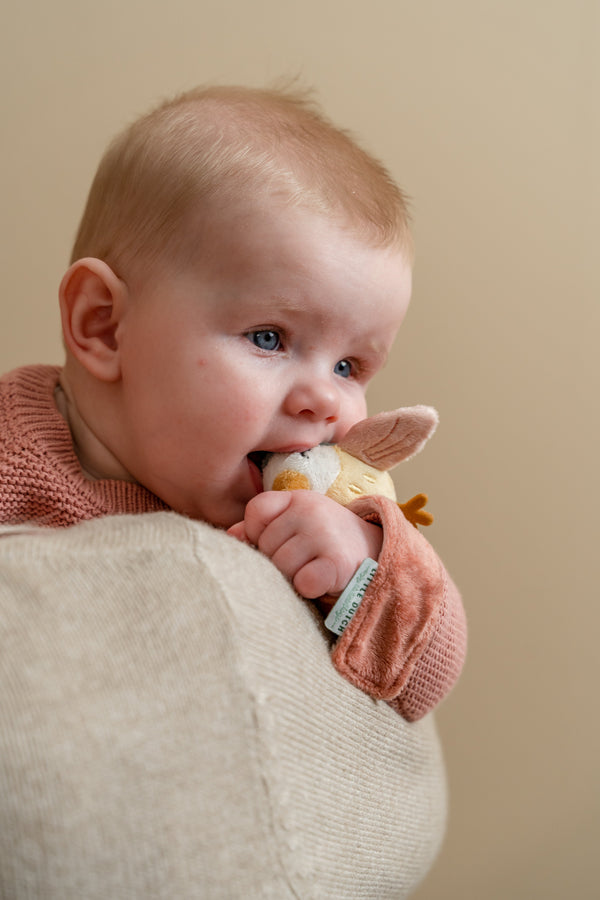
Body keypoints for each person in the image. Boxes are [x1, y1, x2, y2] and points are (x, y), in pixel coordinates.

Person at [0, 85, 466, 720]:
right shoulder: (12, 453)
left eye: (349, 366)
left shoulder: (326, 518)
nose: (326, 400)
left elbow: (428, 673)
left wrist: (357, 563)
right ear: (106, 325)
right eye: (270, 338)